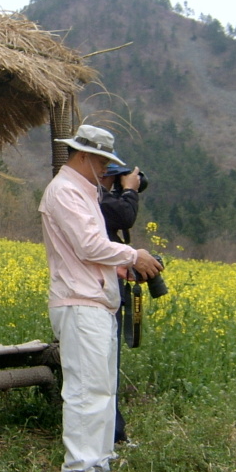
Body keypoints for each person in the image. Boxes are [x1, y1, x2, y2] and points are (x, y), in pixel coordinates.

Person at [38, 125, 163, 472]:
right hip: (79, 304)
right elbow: (88, 245)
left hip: (94, 301)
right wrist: (132, 254)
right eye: (103, 160)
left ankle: (99, 461)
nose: (106, 169)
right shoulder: (64, 192)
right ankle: (79, 471)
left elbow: (88, 252)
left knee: (102, 387)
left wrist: (119, 268)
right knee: (84, 390)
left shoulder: (84, 192)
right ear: (84, 155)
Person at [100, 162, 144, 445]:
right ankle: (111, 435)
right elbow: (125, 216)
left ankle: (114, 432)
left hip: (106, 289)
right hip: (98, 294)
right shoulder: (94, 199)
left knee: (108, 364)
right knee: (104, 365)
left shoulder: (95, 198)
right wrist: (129, 191)